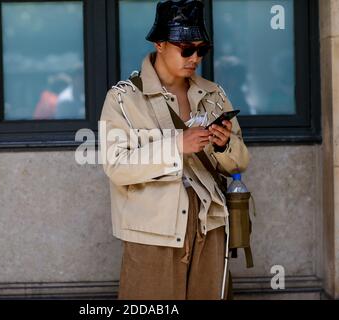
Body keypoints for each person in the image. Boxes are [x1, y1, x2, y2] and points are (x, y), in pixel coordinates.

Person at [99, 0, 250, 300]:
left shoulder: (214, 95)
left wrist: (223, 144)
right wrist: (176, 146)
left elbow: (240, 161)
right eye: (186, 49)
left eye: (201, 50)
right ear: (160, 44)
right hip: (154, 233)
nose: (194, 58)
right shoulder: (122, 99)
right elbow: (115, 166)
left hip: (211, 226)